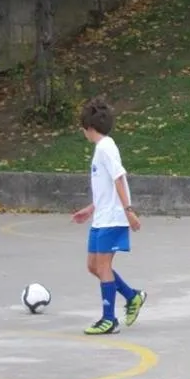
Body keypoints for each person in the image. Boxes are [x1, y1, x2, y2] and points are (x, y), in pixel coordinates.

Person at [71, 97, 147, 335]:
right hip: (101, 216)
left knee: (103, 266)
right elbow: (106, 187)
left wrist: (129, 211)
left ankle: (109, 319)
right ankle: (132, 296)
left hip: (114, 218)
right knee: (93, 266)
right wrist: (91, 208)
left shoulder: (106, 147)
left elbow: (118, 178)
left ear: (89, 128)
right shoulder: (101, 148)